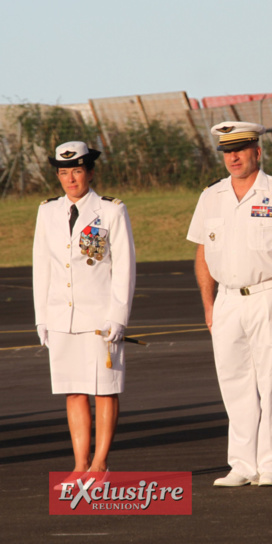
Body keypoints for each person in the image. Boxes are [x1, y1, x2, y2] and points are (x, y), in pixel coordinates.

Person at [187, 122, 272, 487]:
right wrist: (208, 303)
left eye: (240, 149)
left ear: (257, 152)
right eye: (227, 151)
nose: (233, 157)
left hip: (269, 295)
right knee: (234, 383)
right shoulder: (211, 195)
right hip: (227, 299)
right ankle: (242, 464)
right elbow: (202, 252)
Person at [33, 141, 136, 483]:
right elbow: (41, 267)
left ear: (90, 173)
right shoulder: (47, 211)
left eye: (77, 171)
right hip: (61, 316)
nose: (71, 179)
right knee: (73, 389)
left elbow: (124, 267)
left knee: (104, 388)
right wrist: (42, 318)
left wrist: (118, 315)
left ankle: (100, 464)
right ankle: (80, 465)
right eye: (64, 173)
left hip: (99, 317)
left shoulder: (110, 210)